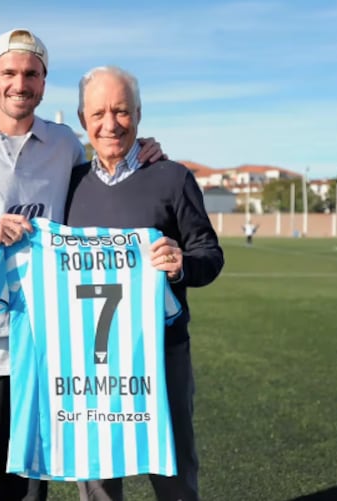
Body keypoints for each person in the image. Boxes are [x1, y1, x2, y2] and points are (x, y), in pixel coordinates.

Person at [0, 29, 164, 501]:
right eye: (10, 73)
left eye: (32, 74)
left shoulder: (61, 145)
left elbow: (103, 168)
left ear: (44, 82)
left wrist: (142, 153)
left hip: (38, 356)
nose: (21, 83)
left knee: (26, 496)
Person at [64, 66, 225, 501]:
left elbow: (209, 254)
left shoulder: (173, 178)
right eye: (98, 113)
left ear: (138, 113)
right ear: (82, 119)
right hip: (92, 361)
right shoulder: (69, 184)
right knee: (96, 477)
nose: (110, 123)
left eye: (121, 111)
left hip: (161, 351)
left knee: (173, 471)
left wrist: (181, 264)